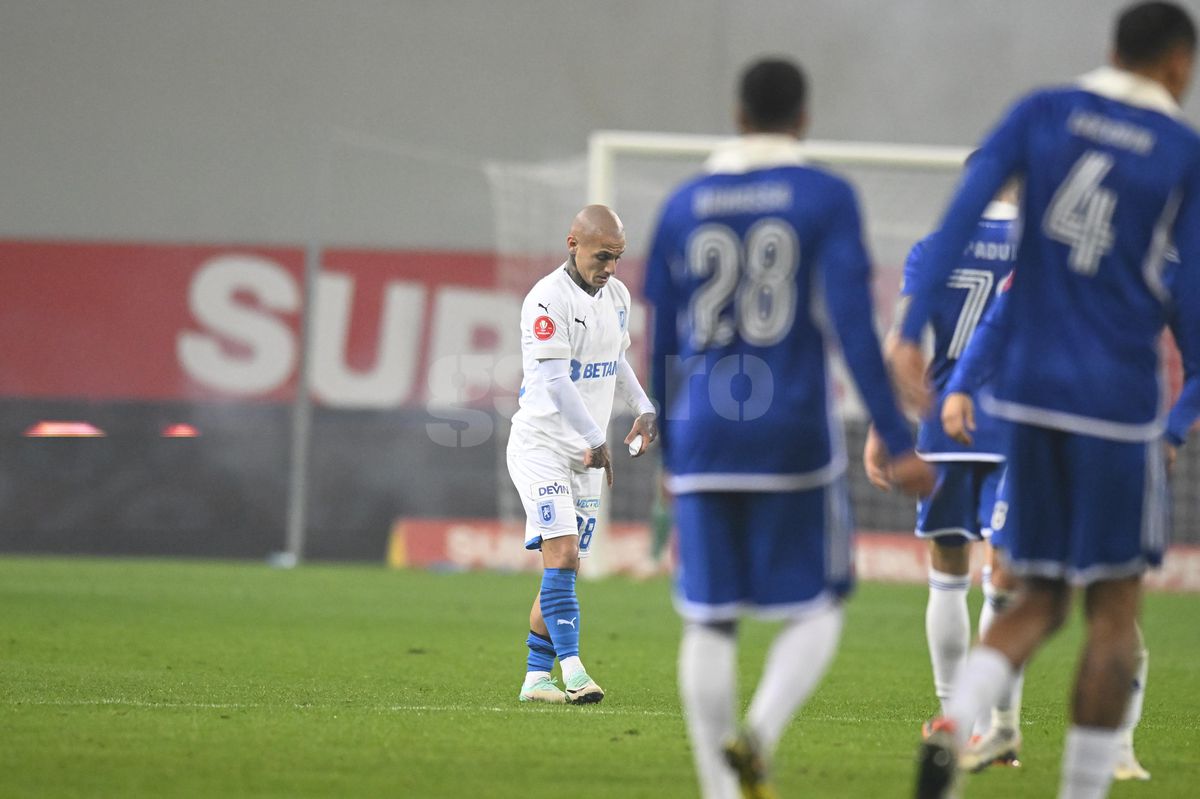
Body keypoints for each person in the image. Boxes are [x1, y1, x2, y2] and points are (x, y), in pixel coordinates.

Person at [889, 3, 1200, 797]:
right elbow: (1188, 306)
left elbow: (962, 215)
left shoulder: (1041, 110)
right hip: (1115, 404)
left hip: (1025, 399)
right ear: (1178, 67)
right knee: (1112, 613)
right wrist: (1173, 420)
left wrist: (911, 337)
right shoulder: (1180, 152)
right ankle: (1086, 786)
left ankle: (958, 726)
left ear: (1110, 50)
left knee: (1034, 596)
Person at [644, 57, 935, 799]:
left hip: (703, 429)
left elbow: (663, 338)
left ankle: (718, 789)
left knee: (709, 620)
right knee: (821, 601)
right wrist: (898, 439)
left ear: (737, 116)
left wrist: (672, 451)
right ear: (803, 119)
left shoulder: (681, 205)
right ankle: (760, 734)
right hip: (790, 433)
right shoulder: (825, 195)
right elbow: (852, 324)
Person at [864, 179, 1018, 761]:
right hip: (1014, 427)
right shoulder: (1041, 248)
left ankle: (955, 714)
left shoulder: (935, 247)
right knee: (1004, 578)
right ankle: (1000, 725)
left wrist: (886, 425)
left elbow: (902, 342)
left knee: (946, 573)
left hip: (941, 426)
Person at [507, 204, 658, 705]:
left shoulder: (617, 296)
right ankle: (573, 671)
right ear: (573, 244)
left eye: (617, 257)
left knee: (562, 567)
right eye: (601, 255)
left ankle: (534, 678)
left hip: (586, 456)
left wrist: (643, 406)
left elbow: (615, 360)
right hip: (543, 448)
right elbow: (552, 380)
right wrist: (596, 438)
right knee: (565, 553)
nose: (610, 267)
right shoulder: (547, 301)